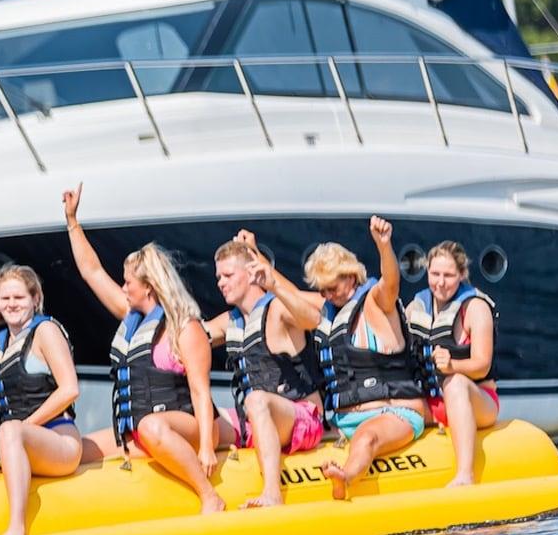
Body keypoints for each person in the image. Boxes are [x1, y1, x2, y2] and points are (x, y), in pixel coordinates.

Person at [63, 184, 230, 513]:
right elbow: (92, 272)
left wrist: (206, 448)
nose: (123, 288)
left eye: (128, 283)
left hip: (190, 426)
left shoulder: (185, 328)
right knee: (78, 450)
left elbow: (200, 390)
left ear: (149, 287)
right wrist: (72, 222)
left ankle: (209, 495)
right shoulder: (132, 319)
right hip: (142, 430)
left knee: (151, 426)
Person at [256, 216, 429, 499]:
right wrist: (258, 259)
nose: (327, 295)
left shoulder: (375, 302)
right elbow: (292, 294)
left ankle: (346, 478)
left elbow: (391, 283)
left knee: (367, 436)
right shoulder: (329, 306)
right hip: (343, 421)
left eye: (332, 288)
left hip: (393, 413)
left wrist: (384, 246)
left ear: (350, 277)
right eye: (322, 290)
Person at [0, 263, 84, 535]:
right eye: (5, 298)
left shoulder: (45, 331)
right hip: (13, 441)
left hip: (59, 441)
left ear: (35, 299)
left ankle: (16, 528)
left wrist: (24, 428)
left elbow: (70, 389)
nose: (12, 304)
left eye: (19, 297)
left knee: (9, 429)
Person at [207, 235, 325, 508]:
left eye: (227, 275)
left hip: (302, 418)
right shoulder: (230, 322)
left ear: (250, 274)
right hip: (255, 419)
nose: (220, 283)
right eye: (218, 277)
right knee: (206, 419)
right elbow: (194, 336)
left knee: (256, 400)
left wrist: (274, 284)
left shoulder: (277, 309)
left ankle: (272, 492)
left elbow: (313, 319)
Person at [404, 241, 499, 488]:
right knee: (389, 402)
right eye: (435, 274)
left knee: (455, 384)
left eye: (448, 275)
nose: (440, 282)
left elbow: (482, 364)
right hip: (433, 403)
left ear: (462, 274)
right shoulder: (416, 307)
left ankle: (465, 474)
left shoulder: (475, 308)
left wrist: (453, 366)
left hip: (478, 402)